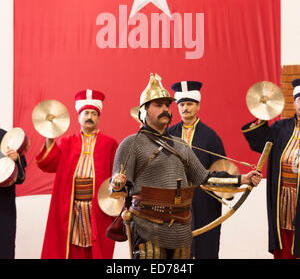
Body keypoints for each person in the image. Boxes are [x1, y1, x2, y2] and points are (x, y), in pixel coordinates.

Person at [111, 73, 262, 259]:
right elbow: (117, 184)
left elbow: (205, 177)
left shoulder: (180, 144)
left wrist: (242, 179)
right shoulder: (131, 144)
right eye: (158, 105)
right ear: (144, 110)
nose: (165, 109)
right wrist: (118, 182)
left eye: (167, 105)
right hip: (147, 227)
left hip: (179, 227)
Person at [36, 89, 118, 259]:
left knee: (96, 249)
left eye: (94, 113)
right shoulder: (65, 142)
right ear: (79, 116)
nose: (90, 116)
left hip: (97, 207)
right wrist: (49, 137)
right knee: (71, 248)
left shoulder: (109, 144)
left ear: (98, 117)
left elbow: (115, 175)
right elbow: (48, 164)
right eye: (86, 113)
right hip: (71, 206)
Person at [242, 78, 300, 259]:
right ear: (295, 102)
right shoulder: (281, 128)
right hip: (282, 199)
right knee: (285, 242)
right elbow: (261, 142)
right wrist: (262, 115)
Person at [168, 80, 226, 259]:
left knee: (205, 248)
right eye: (182, 104)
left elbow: (221, 169)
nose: (186, 108)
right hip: (175, 202)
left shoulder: (211, 136)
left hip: (204, 202)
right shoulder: (168, 134)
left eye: (190, 104)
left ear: (198, 105)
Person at [0, 128, 27, 259]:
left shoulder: (9, 138)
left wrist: (16, 160)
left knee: (4, 249)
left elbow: (21, 177)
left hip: (3, 208)